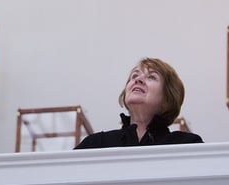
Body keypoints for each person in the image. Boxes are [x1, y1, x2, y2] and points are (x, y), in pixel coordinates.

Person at [75, 57, 203, 148]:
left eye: (151, 77)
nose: (138, 80)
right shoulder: (96, 144)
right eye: (134, 76)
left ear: (168, 96)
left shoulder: (186, 145)